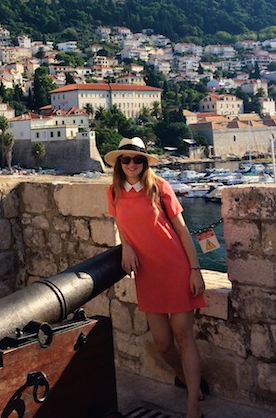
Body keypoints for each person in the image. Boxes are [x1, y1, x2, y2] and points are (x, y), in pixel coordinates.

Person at [104, 137, 207, 418]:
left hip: (175, 269)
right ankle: (187, 380)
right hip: (147, 275)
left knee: (184, 336)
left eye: (138, 159)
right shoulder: (113, 191)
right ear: (119, 163)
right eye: (126, 159)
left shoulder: (160, 187)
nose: (132, 164)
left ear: (145, 163)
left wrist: (195, 270)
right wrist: (126, 246)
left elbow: (182, 230)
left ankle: (193, 404)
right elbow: (121, 223)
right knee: (162, 343)